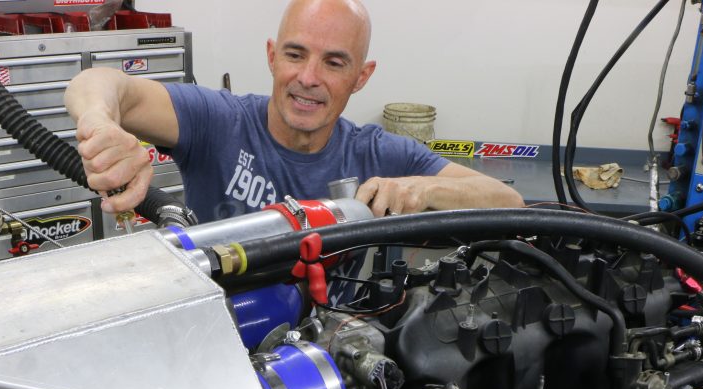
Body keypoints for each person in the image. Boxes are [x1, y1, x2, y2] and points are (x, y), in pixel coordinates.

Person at [64, 0, 523, 223]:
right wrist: (100, 122)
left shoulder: (377, 154)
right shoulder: (219, 122)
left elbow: (509, 202)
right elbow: (97, 83)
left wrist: (423, 190)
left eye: (334, 62)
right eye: (295, 54)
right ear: (271, 56)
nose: (309, 77)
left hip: (332, 361)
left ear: (362, 77)